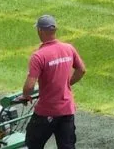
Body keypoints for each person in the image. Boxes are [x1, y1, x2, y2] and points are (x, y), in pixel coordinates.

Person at [19, 15, 86, 149]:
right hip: (67, 109)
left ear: (40, 31)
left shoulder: (39, 56)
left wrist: (26, 95)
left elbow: (29, 86)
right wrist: (67, 83)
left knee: (33, 143)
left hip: (46, 110)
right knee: (67, 146)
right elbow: (81, 70)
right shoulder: (68, 48)